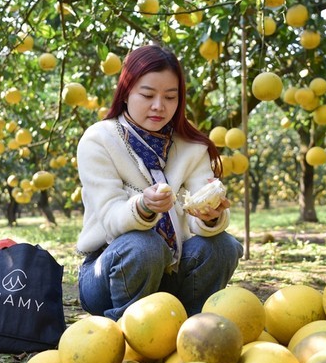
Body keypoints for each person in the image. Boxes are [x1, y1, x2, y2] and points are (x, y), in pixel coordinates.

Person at [75, 44, 243, 320]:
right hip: (109, 272)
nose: (159, 106)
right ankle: (126, 332)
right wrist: (142, 206)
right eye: (148, 94)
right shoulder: (99, 141)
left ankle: (191, 327)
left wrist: (211, 217)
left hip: (171, 270)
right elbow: (109, 217)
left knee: (223, 245)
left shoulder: (191, 147)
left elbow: (197, 218)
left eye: (170, 97)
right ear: (126, 92)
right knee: (144, 245)